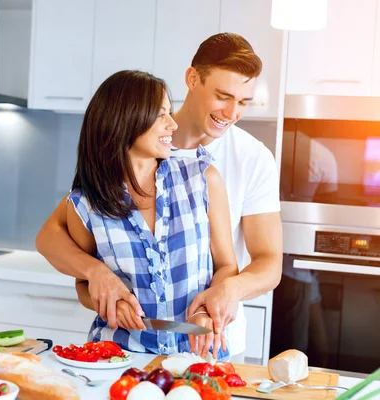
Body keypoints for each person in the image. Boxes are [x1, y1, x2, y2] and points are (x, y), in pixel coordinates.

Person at [36, 33, 283, 362]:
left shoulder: (238, 163)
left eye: (244, 102)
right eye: (223, 96)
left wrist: (228, 291)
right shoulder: (98, 191)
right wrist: (98, 277)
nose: (233, 112)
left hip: (207, 342)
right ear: (193, 79)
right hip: (122, 355)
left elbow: (266, 262)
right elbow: (56, 241)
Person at [65, 69, 238, 358]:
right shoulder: (85, 204)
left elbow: (226, 266)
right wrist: (110, 305)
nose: (172, 124)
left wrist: (207, 310)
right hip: (117, 359)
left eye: (170, 113)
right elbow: (84, 283)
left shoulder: (202, 179)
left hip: (198, 357)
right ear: (125, 121)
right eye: (161, 115)